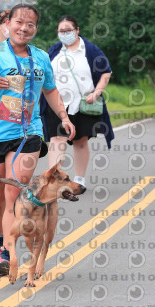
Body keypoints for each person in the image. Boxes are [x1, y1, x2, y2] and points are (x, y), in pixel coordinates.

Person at [0, 4, 75, 274]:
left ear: (36, 29)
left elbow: (50, 90)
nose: (24, 28)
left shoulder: (41, 57)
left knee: (13, 191)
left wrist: (64, 117)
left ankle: (8, 252)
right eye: (19, 22)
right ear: (8, 24)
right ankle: (0, 238)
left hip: (29, 132)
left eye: (30, 24)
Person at [40, 15, 114, 189]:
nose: (65, 34)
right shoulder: (54, 50)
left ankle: (79, 179)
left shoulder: (90, 49)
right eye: (61, 31)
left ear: (77, 30)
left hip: (82, 104)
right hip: (56, 104)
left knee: (80, 141)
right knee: (57, 139)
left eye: (68, 30)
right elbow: (45, 75)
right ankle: (55, 180)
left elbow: (106, 72)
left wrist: (97, 92)